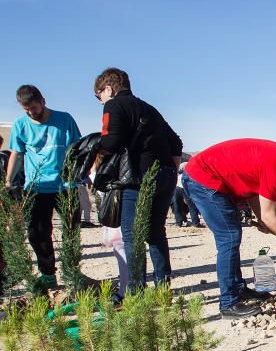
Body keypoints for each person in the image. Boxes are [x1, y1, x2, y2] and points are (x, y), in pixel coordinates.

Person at [184, 139, 276, 318]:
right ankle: (228, 303)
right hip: (203, 178)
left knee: (232, 234)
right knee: (229, 236)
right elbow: (270, 215)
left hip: (207, 176)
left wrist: (263, 220)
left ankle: (238, 289)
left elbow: (252, 191)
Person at [94, 68, 183, 289]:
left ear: (108, 88)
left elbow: (111, 142)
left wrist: (95, 151)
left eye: (99, 96)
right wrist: (167, 170)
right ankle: (163, 289)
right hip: (165, 177)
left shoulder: (113, 105)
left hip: (138, 179)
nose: (100, 101)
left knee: (132, 236)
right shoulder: (149, 108)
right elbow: (176, 143)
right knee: (155, 232)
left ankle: (135, 293)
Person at [5, 85, 82, 291]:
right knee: (37, 233)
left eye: (34, 108)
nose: (31, 112)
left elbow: (77, 149)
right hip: (37, 187)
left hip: (66, 187)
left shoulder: (65, 120)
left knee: (71, 231)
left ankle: (72, 272)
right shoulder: (21, 125)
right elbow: (17, 154)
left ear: (43, 101)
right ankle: (48, 274)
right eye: (26, 109)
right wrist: (9, 182)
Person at [172, 162, 202, 227]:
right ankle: (195, 223)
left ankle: (179, 223)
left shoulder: (183, 167)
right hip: (184, 186)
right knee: (191, 205)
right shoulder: (190, 167)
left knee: (177, 205)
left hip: (179, 186)